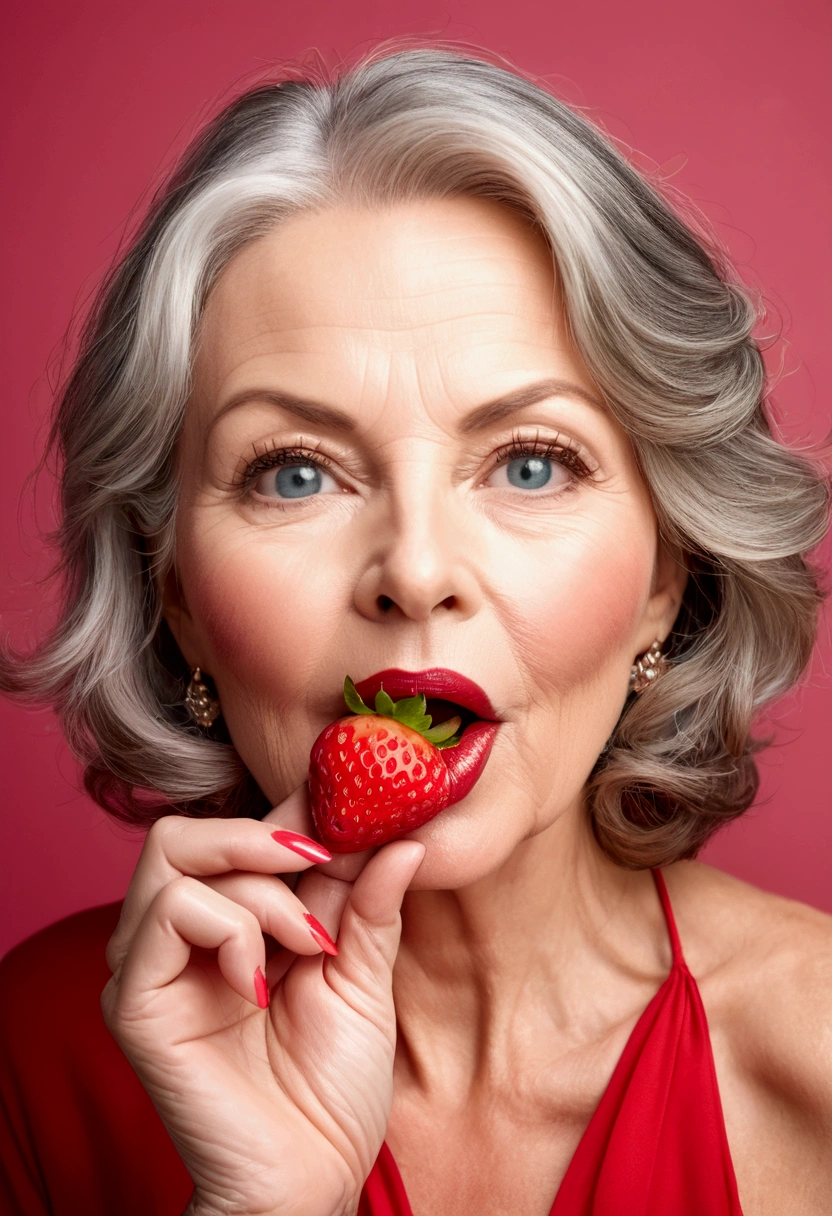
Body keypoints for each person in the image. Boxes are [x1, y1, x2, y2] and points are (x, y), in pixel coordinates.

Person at [1, 45, 831, 1216]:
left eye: (531, 463)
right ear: (174, 591)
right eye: (295, 474)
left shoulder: (820, 1063)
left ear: (666, 570)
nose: (417, 571)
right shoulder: (37, 1063)